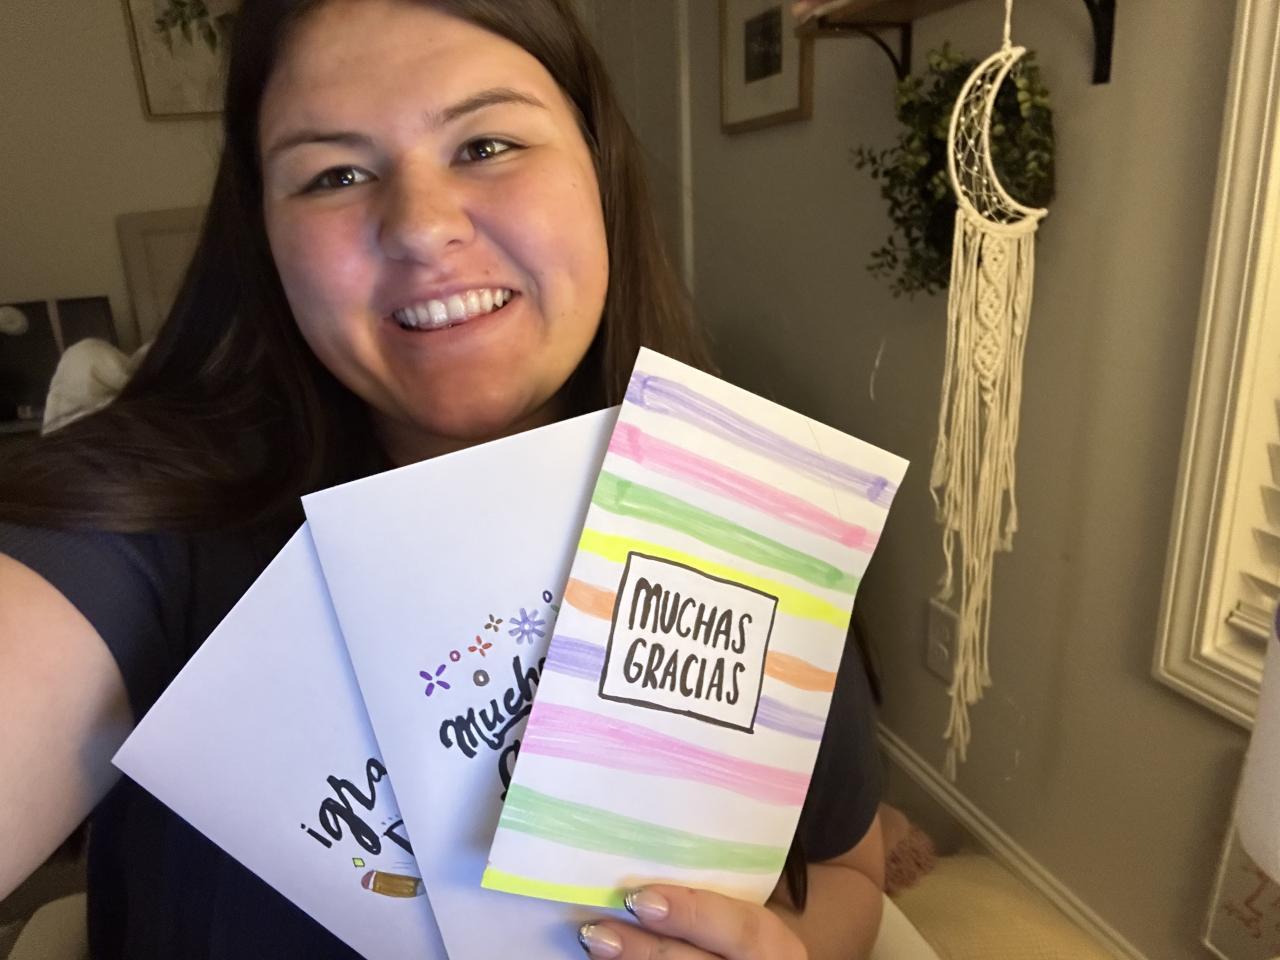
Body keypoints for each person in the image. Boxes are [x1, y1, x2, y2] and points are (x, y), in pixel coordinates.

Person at [0, 1, 886, 957]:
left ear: (599, 170)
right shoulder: (147, 534)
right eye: (335, 174)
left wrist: (788, 950)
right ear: (262, 233)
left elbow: (847, 872)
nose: (421, 228)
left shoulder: (741, 517)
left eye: (487, 145)